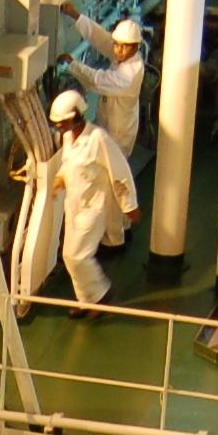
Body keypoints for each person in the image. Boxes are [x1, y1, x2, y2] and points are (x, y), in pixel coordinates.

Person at [47, 89, 136, 304]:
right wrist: (60, 178)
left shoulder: (98, 139)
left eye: (62, 122)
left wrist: (129, 206)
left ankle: (101, 294)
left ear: (77, 116)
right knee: (69, 256)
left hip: (93, 209)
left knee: (77, 256)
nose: (59, 127)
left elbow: (120, 172)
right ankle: (85, 300)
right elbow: (69, 163)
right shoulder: (68, 138)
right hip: (73, 206)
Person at [60, 0, 146, 153]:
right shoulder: (123, 54)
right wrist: (75, 15)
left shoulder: (129, 74)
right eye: (117, 44)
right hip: (108, 123)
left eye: (125, 46)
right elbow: (100, 37)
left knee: (110, 164)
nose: (118, 50)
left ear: (135, 47)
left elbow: (96, 81)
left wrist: (72, 64)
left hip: (118, 135)